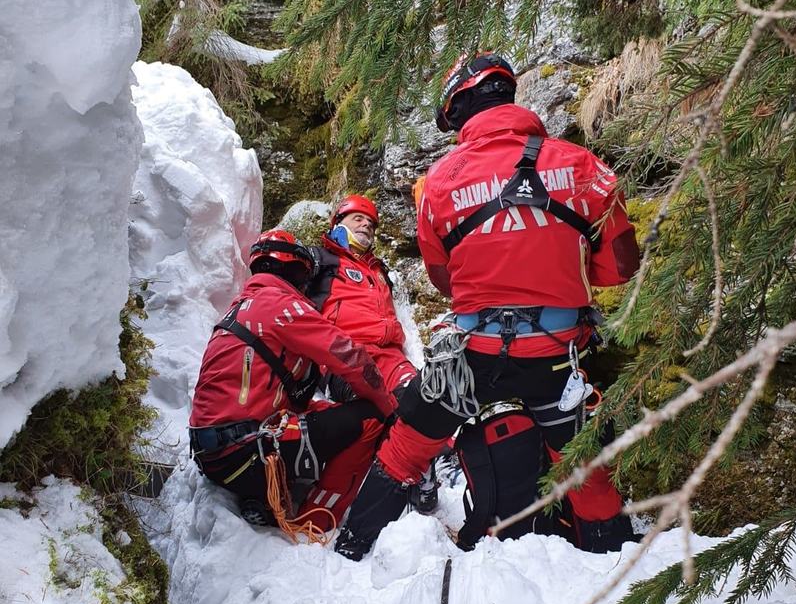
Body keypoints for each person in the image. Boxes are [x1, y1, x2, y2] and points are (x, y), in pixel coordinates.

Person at [335, 52, 641, 561]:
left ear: (458, 109)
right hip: (555, 357)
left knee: (407, 444)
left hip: (472, 357)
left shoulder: (436, 183)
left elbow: (443, 279)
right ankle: (611, 558)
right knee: (585, 462)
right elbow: (619, 268)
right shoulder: (583, 165)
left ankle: (353, 546)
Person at [189, 229, 397, 536]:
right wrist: (387, 405)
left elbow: (264, 391)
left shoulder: (240, 310)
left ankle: (263, 495)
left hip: (217, 455)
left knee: (327, 412)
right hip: (249, 452)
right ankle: (316, 520)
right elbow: (349, 355)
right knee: (369, 419)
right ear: (294, 269)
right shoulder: (281, 304)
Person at [306, 194, 438, 512]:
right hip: (345, 355)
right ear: (337, 223)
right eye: (357, 219)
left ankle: (424, 474)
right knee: (382, 405)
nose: (366, 225)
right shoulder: (320, 260)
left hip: (391, 355)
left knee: (424, 396)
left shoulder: (380, 272)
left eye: (370, 223)